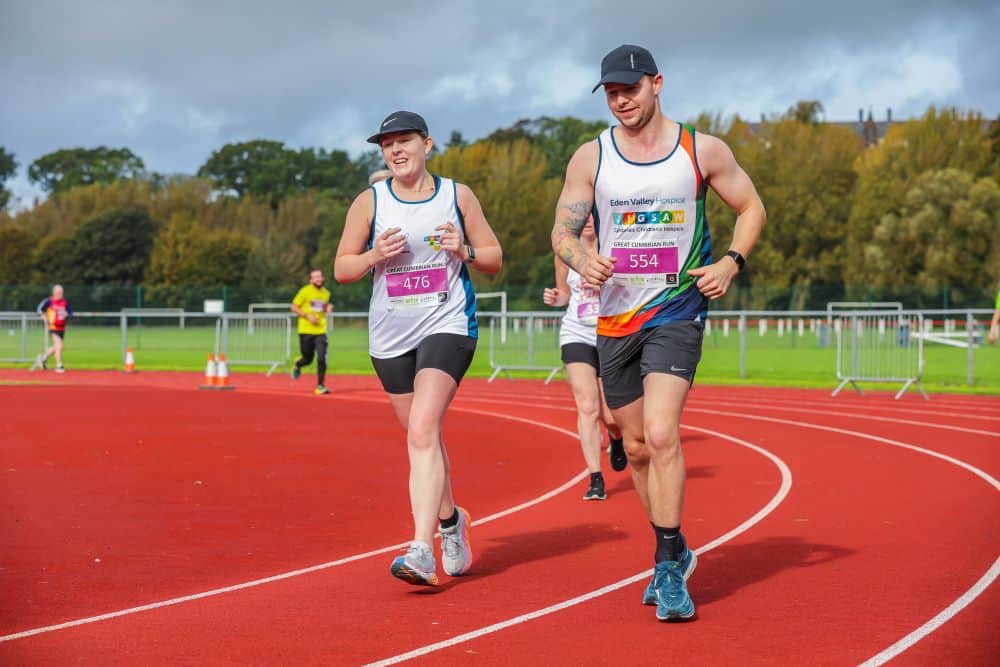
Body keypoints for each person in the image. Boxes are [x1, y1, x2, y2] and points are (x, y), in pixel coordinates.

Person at [551, 45, 766, 621]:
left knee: (664, 432)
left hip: (677, 309)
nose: (622, 100)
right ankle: (672, 546)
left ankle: (669, 568)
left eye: (631, 88)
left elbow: (751, 208)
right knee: (638, 447)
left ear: (657, 84)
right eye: (612, 92)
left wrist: (730, 263)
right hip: (615, 318)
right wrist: (579, 258)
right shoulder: (590, 158)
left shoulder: (701, 149)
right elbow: (562, 232)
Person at [335, 111, 502, 586]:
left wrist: (462, 250)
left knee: (424, 426)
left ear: (427, 144)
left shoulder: (456, 195)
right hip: (390, 335)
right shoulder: (370, 202)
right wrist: (373, 256)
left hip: (446, 322)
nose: (395, 151)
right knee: (420, 437)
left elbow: (494, 257)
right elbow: (343, 267)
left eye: (404, 141)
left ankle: (420, 548)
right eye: (387, 145)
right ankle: (452, 522)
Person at [543, 217, 626, 501]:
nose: (588, 220)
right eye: (583, 216)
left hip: (611, 333)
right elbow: (565, 292)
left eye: (593, 213)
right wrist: (557, 298)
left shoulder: (613, 246)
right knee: (587, 406)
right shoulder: (566, 252)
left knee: (612, 417)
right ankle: (596, 477)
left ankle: (616, 438)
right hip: (576, 332)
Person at [291, 269, 334, 395]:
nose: (318, 279)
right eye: (315, 277)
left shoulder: (326, 293)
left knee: (321, 358)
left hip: (320, 331)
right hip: (305, 330)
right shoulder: (305, 291)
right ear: (311, 280)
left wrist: (328, 308)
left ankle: (320, 385)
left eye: (320, 276)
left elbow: (323, 307)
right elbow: (293, 307)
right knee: (307, 359)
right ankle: (298, 364)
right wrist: (307, 316)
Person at [35, 284, 73, 372]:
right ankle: (59, 366)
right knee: (59, 346)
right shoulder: (49, 301)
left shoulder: (64, 302)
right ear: (54, 292)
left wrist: (67, 314)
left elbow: (70, 312)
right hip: (53, 327)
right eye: (58, 292)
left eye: (61, 292)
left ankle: (42, 358)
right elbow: (40, 309)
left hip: (61, 328)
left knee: (58, 347)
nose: (60, 294)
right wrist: (44, 317)